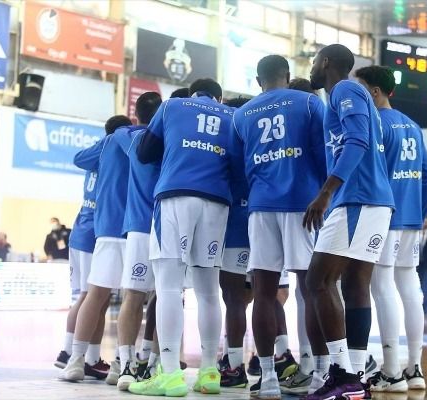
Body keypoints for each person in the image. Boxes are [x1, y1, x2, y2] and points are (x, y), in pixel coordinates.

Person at [131, 78, 234, 397]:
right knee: (209, 291)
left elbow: (145, 152)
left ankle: (171, 375)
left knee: (169, 287)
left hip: (176, 195)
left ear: (193, 93)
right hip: (217, 201)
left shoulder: (172, 106)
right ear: (218, 98)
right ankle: (210, 372)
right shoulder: (231, 116)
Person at [232, 55, 326, 399]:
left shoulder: (242, 114)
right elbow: (324, 154)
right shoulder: (309, 102)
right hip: (304, 204)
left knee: (264, 293)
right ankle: (319, 374)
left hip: (260, 206)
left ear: (258, 81)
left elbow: (237, 168)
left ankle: (268, 377)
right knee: (312, 290)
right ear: (287, 75)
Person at [303, 44, 395, 399]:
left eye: (314, 61)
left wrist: (326, 192)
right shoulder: (354, 97)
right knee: (355, 286)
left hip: (357, 198)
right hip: (373, 200)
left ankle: (342, 373)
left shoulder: (344, 89)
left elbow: (357, 141)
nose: (311, 67)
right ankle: (355, 380)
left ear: (326, 62)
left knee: (318, 281)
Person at [355, 65, 427, 392]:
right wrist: (418, 212)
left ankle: (391, 371)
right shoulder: (413, 125)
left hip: (384, 216)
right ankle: (414, 369)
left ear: (374, 91)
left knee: (382, 287)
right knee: (410, 287)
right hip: (411, 218)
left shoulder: (375, 123)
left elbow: (371, 173)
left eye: (360, 88)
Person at [59, 115, 133, 382]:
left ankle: (76, 356)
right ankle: (94, 359)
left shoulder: (98, 155)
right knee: (108, 297)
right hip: (106, 231)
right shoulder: (124, 147)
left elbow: (78, 158)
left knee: (91, 296)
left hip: (87, 229)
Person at [112, 92, 163, 391]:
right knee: (167, 296)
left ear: (137, 115)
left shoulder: (129, 137)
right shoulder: (172, 138)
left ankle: (126, 365)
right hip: (168, 227)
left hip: (139, 229)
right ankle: (155, 364)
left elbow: (118, 130)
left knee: (133, 295)